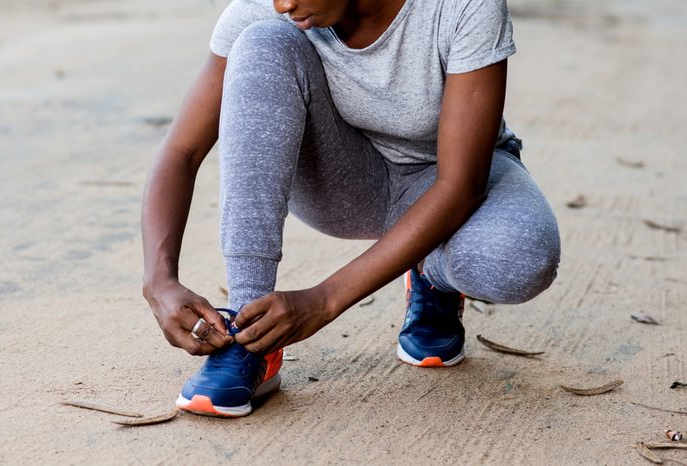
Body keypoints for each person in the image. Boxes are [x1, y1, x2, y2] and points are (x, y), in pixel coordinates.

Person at [141, 0, 561, 417]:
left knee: (517, 258)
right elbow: (182, 148)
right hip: (347, 183)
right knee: (263, 41)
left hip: (448, 181)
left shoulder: (463, 7)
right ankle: (250, 336)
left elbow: (461, 186)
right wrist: (159, 280)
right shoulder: (269, 9)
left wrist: (324, 301)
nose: (282, 3)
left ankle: (432, 274)